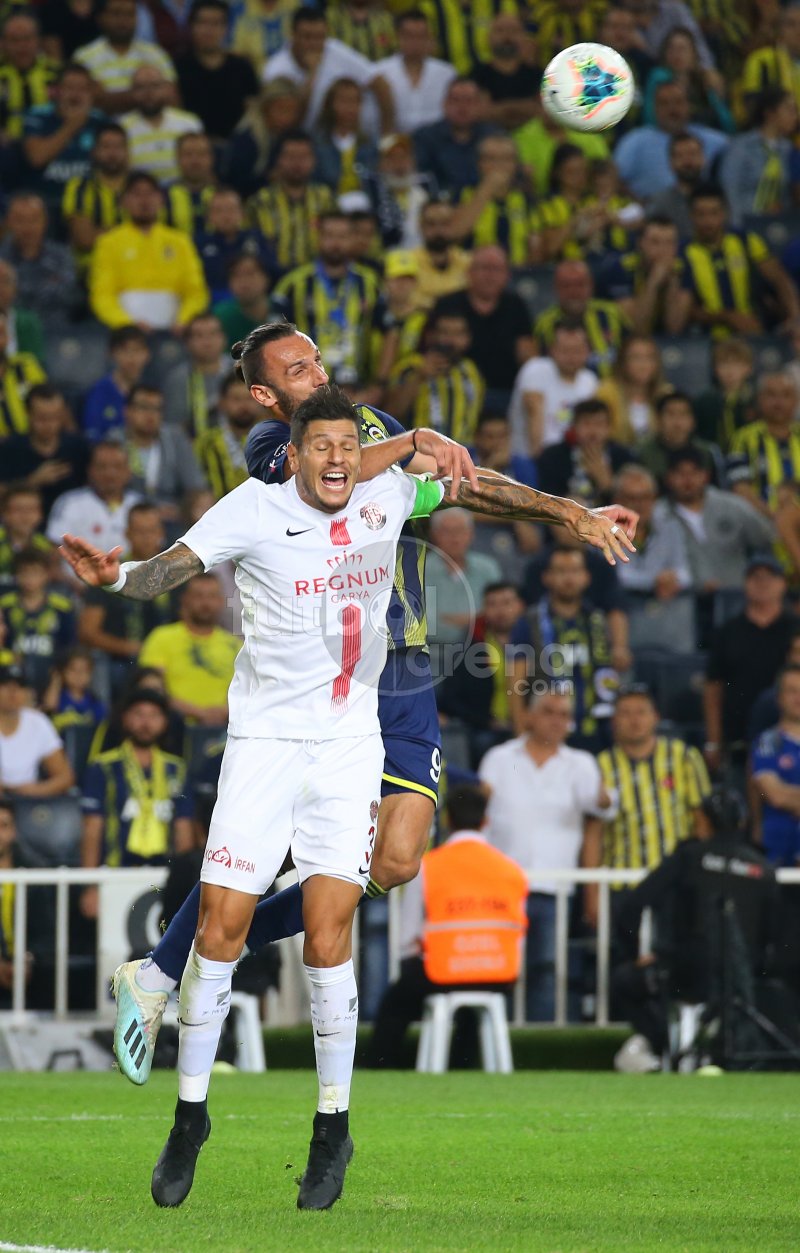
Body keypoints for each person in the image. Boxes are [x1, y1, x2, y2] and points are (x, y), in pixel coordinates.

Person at [100, 321, 635, 1089]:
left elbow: (466, 481)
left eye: (316, 359)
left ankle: (213, 948)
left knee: (397, 859)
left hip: (403, 667)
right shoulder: (271, 445)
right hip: (324, 677)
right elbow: (319, 476)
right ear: (266, 394)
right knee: (271, 853)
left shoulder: (369, 426)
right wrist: (410, 442)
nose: (316, 372)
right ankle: (165, 968)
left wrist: (571, 512)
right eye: (297, 368)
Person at [61, 385, 464, 1211]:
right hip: (262, 750)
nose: (338, 459)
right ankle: (190, 1115)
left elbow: (466, 484)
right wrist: (116, 577)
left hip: (348, 752)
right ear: (296, 454)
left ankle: (332, 1126)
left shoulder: (390, 490)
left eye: (349, 445)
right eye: (322, 446)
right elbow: (170, 569)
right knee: (220, 929)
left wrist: (569, 511)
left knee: (328, 935)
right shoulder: (252, 507)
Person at [611, 785, 778, 1072]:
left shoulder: (689, 857)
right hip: (744, 980)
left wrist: (632, 955)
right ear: (741, 822)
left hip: (685, 972)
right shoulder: (763, 869)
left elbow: (633, 905)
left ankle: (664, 1044)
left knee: (624, 981)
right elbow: (774, 935)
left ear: (704, 821)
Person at [368, 782, 528, 1066]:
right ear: (486, 820)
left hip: (443, 971)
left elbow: (408, 938)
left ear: (446, 820)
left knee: (397, 1000)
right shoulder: (511, 869)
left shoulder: (429, 866)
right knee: (470, 1005)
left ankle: (378, 1064)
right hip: (499, 972)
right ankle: (462, 1064)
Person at [479, 688, 615, 1021]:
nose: (557, 720)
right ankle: (499, 1035)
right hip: (503, 888)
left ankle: (541, 1039)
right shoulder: (499, 758)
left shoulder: (581, 764)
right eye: (549, 712)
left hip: (555, 887)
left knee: (547, 969)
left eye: (564, 714)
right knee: (500, 969)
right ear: (529, 715)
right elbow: (481, 818)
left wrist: (605, 798)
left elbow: (599, 804)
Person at [79, 686, 193, 922]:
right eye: (139, 714)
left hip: (166, 875)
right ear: (125, 719)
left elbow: (184, 828)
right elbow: (92, 828)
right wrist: (90, 885)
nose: (146, 723)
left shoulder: (177, 769)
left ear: (164, 722)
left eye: (154, 715)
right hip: (115, 874)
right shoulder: (104, 767)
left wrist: (185, 883)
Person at [508, 545, 618, 752]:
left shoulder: (598, 620)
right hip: (547, 730)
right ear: (546, 578)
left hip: (596, 729)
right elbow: (515, 682)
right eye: (561, 571)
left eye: (575, 571)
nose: (569, 578)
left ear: (586, 577)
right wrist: (521, 732)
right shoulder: (529, 621)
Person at [598, 685, 711, 880]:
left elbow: (703, 820)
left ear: (656, 717)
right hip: (622, 879)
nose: (634, 721)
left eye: (641, 712)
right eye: (625, 713)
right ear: (613, 721)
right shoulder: (600, 766)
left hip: (675, 879)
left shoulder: (684, 757)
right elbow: (595, 831)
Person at [704, 555, 797, 776]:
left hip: (792, 740)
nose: (762, 583)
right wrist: (713, 741)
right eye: (755, 577)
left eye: (770, 577)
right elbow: (713, 688)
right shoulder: (727, 632)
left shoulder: (796, 628)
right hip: (738, 739)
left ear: (783, 583)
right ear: (745, 584)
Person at [272, 211, 384, 390]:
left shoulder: (370, 283)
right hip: (306, 389)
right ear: (318, 238)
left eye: (342, 236)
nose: (335, 243)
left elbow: (388, 333)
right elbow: (275, 340)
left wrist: (378, 385)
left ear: (353, 239)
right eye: (329, 235)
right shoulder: (293, 285)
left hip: (359, 388)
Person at [89, 171, 209, 333]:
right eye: (136, 194)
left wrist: (184, 319)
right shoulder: (108, 242)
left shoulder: (180, 241)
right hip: (126, 331)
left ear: (161, 199)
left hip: (176, 329)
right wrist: (125, 323)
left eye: (150, 194)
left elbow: (196, 292)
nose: (144, 201)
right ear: (124, 201)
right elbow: (102, 294)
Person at [682, 184, 800, 338]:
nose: (708, 221)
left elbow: (781, 280)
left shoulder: (746, 242)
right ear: (691, 216)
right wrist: (728, 317)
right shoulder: (683, 252)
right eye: (700, 214)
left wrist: (795, 318)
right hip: (705, 340)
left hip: (753, 334)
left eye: (714, 213)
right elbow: (686, 309)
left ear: (725, 213)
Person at [660, 446, 775, 595]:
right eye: (680, 473)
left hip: (738, 596)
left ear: (706, 476)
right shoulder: (659, 515)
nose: (688, 480)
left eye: (694, 472)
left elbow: (767, 537)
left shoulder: (732, 506)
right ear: (669, 478)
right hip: (684, 599)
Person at [262, 6, 392, 137]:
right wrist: (312, 73)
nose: (314, 44)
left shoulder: (334, 49)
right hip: (296, 139)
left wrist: (386, 137)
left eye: (320, 37)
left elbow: (380, 84)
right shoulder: (276, 69)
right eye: (307, 37)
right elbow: (293, 120)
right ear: (293, 35)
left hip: (336, 137)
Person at [430, 246, 535, 400]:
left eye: (496, 269)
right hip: (454, 390)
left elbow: (528, 355)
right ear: (469, 272)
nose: (489, 275)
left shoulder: (516, 305)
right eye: (484, 268)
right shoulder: (447, 304)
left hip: (505, 392)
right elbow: (431, 348)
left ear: (507, 275)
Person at [437, 583, 524, 764]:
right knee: (482, 743)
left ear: (519, 606)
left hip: (530, 724)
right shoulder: (468, 645)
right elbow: (451, 697)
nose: (500, 611)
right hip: (485, 728)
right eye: (492, 604)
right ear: (484, 609)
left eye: (506, 603)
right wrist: (486, 721)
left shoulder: (536, 640)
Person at [78, 502, 172, 669]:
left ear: (161, 532)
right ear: (127, 534)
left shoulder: (176, 571)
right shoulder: (109, 572)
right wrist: (132, 649)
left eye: (151, 530)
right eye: (140, 531)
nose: (146, 537)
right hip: (118, 661)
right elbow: (88, 631)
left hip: (167, 660)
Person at [613, 463, 694, 651]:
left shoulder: (671, 527)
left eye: (646, 497)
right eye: (632, 498)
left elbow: (686, 573)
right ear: (617, 500)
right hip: (626, 617)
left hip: (667, 618)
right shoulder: (602, 531)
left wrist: (672, 579)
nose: (639, 504)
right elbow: (616, 577)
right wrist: (656, 580)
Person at [612, 79, 729, 202]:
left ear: (689, 105)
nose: (672, 109)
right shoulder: (635, 142)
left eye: (678, 102)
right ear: (654, 108)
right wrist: (640, 205)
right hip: (650, 210)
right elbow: (613, 179)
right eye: (664, 103)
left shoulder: (714, 140)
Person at [385, 310, 484, 444]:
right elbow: (391, 412)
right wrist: (419, 377)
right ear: (430, 335)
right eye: (445, 333)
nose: (451, 340)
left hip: (464, 450)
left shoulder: (471, 370)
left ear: (467, 338)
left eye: (458, 333)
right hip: (418, 449)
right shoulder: (410, 367)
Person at [246, 130, 334, 275]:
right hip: (272, 278)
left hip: (317, 279)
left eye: (304, 156)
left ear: (314, 160)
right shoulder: (259, 202)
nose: (297, 163)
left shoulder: (326, 199)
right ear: (278, 159)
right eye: (291, 156)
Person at [21, 62, 107, 210]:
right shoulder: (38, 116)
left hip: (87, 203)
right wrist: (72, 125)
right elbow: (37, 158)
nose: (76, 95)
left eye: (82, 89)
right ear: (57, 90)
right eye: (69, 88)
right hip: (46, 201)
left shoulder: (101, 121)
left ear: (91, 93)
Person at [73, 0, 177, 116]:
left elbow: (171, 99)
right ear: (101, 18)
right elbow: (93, 101)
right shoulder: (84, 57)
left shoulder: (156, 54)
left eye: (130, 14)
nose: (123, 20)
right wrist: (147, 94)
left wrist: (111, 98)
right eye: (116, 13)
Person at [508, 325, 598, 459]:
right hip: (529, 458)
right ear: (552, 350)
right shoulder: (535, 369)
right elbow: (534, 416)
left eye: (577, 350)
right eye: (565, 351)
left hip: (569, 459)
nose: (571, 357)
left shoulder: (589, 381)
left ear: (587, 352)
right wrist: (539, 461)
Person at [0, 384, 88, 519]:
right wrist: (32, 481)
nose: (49, 424)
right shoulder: (10, 448)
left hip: (71, 522)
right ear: (28, 414)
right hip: (24, 522)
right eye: (42, 418)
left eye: (55, 417)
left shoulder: (78, 447)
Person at [174, 0, 259, 140]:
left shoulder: (242, 67)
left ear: (226, 28)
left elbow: (253, 112)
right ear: (191, 26)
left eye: (216, 23)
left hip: (234, 145)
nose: (209, 30)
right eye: (202, 23)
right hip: (193, 144)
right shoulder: (178, 67)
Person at [595, 216, 690, 339]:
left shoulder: (682, 268)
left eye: (670, 242)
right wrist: (653, 282)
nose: (663, 250)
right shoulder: (621, 269)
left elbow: (674, 328)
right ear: (641, 243)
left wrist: (673, 281)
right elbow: (637, 329)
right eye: (655, 242)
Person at [424, 508, 502, 658]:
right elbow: (428, 626)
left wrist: (453, 620)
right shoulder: (421, 569)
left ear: (471, 534)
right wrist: (475, 620)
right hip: (434, 656)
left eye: (460, 530)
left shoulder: (488, 567)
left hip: (483, 654)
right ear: (434, 535)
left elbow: (498, 615)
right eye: (447, 531)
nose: (455, 538)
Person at [533, 259, 629, 378]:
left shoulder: (612, 314)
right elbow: (540, 368)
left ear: (591, 285)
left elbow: (633, 353)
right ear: (555, 288)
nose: (573, 292)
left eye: (580, 284)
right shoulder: (544, 324)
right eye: (566, 285)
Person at [536, 398, 636, 511]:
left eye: (599, 424)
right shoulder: (553, 457)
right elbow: (545, 499)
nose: (593, 432)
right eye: (586, 424)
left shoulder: (624, 458)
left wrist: (608, 486)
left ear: (609, 428)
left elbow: (632, 503)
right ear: (574, 427)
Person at [46, 441, 141, 558]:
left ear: (128, 471)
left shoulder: (140, 504)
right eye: (102, 467)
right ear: (90, 470)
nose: (110, 474)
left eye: (117, 467)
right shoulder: (69, 504)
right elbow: (54, 553)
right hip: (76, 570)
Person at [0, 195, 80, 332]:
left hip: (57, 329)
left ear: (45, 221)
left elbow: (68, 294)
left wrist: (17, 290)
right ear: (8, 222)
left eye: (34, 220)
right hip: (11, 331)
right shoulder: (2, 258)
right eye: (20, 220)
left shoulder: (62, 256)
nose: (27, 227)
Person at [720, 88, 798, 228]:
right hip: (745, 220)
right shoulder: (740, 146)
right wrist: (736, 226)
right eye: (789, 110)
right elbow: (729, 188)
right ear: (770, 114)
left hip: (779, 225)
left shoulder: (789, 150)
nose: (795, 116)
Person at [123, 383, 207, 511]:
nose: (150, 415)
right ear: (127, 411)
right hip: (126, 514)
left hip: (172, 515)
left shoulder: (176, 439)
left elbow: (195, 486)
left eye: (157, 409)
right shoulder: (115, 442)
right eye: (144, 407)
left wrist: (183, 511)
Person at [373, 9, 456, 135]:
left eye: (421, 36)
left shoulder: (447, 73)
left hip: (437, 141)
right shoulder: (380, 72)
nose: (415, 42)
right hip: (396, 140)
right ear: (398, 36)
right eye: (409, 36)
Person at [62, 122, 129, 274]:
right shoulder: (79, 187)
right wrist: (133, 231)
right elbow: (84, 239)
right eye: (106, 147)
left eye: (118, 147)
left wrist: (101, 231)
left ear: (127, 151)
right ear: (94, 151)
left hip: (137, 269)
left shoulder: (139, 188)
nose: (112, 153)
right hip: (91, 270)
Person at [412, 76, 497, 197]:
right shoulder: (424, 138)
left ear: (479, 105)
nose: (462, 107)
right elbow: (419, 180)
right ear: (444, 104)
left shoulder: (493, 136)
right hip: (438, 202)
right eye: (455, 100)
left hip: (485, 201)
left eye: (469, 101)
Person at [0, 663, 74, 798]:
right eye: (5, 685)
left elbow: (65, 778)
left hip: (27, 801)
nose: (13, 691)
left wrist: (35, 791)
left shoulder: (38, 722)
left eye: (20, 686)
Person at [119, 65, 203, 185]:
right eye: (141, 87)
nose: (149, 93)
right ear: (132, 91)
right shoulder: (122, 126)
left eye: (155, 86)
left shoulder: (189, 123)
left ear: (166, 89)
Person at [752, 665, 800, 868]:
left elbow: (783, 793)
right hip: (778, 852)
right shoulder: (768, 742)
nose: (798, 697)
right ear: (779, 698)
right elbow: (774, 795)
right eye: (792, 691)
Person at [0, 547, 75, 678]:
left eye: (35, 572)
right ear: (16, 574)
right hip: (11, 674)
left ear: (46, 574)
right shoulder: (5, 605)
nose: (29, 578)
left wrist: (58, 676)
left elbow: (69, 646)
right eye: (24, 572)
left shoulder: (63, 607)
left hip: (51, 672)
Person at [195, 189, 276, 307]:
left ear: (242, 213)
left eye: (231, 209)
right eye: (218, 211)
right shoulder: (199, 244)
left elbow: (271, 272)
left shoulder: (257, 238)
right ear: (209, 216)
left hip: (255, 301)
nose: (226, 216)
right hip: (212, 304)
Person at [595, 335, 673, 445]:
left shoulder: (666, 393)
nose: (643, 365)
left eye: (649, 358)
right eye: (636, 358)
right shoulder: (606, 392)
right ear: (623, 362)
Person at [161, 314, 228, 437]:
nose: (207, 342)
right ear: (187, 343)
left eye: (213, 334)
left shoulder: (241, 371)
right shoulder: (177, 379)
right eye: (199, 336)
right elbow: (174, 428)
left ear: (224, 338)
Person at [635, 391, 720, 488]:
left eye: (683, 414)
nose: (677, 422)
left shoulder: (707, 452)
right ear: (658, 419)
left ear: (693, 421)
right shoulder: (642, 453)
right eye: (671, 414)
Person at [471, 12, 540, 130]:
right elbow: (478, 113)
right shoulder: (476, 76)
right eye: (500, 31)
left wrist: (501, 109)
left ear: (524, 37)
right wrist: (523, 107)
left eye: (514, 31)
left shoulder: (538, 76)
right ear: (489, 37)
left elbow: (543, 112)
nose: (507, 37)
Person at [82, 325, 150, 444]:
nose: (132, 358)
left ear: (147, 354)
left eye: (137, 350)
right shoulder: (99, 392)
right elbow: (93, 436)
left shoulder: (153, 391)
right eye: (125, 351)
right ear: (112, 354)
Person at [0, 11, 59, 143]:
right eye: (14, 40)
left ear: (38, 40)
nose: (22, 46)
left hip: (50, 146)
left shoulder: (56, 74)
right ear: (3, 43)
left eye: (27, 39)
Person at [409, 198, 471, 310]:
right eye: (431, 224)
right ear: (420, 226)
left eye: (445, 223)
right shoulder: (408, 263)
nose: (438, 230)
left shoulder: (468, 263)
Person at [741, 3, 800, 115]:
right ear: (779, 30)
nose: (798, 30)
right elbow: (752, 106)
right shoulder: (761, 60)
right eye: (791, 24)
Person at [648, 130, 708, 240]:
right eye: (680, 156)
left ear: (703, 158)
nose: (687, 161)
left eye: (692, 154)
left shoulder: (719, 197)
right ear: (671, 162)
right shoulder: (661, 203)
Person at [0, 310, 47, 440]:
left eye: (1, 334)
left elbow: (47, 404)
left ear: (8, 338)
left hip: (31, 442)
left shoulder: (26, 364)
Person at [42, 646, 107, 738]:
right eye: (73, 670)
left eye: (84, 670)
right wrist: (56, 680)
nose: (78, 675)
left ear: (91, 674)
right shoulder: (58, 697)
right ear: (63, 671)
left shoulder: (95, 703)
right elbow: (49, 706)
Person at [212, 255, 274, 348]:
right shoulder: (220, 316)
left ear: (266, 278)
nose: (244, 282)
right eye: (236, 275)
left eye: (250, 274)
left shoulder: (285, 309)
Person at [163, 133, 217, 237]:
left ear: (211, 158)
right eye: (188, 154)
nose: (195, 161)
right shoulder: (163, 196)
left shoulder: (225, 195)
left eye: (201, 154)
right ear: (177, 158)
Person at [0, 487, 52, 591]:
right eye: (18, 510)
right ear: (4, 513)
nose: (25, 516)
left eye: (31, 510)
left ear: (40, 515)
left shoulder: (45, 546)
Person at [0, 259, 45, 365]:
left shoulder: (28, 322)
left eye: (5, 282)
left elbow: (37, 363)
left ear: (15, 288)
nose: (0, 288)